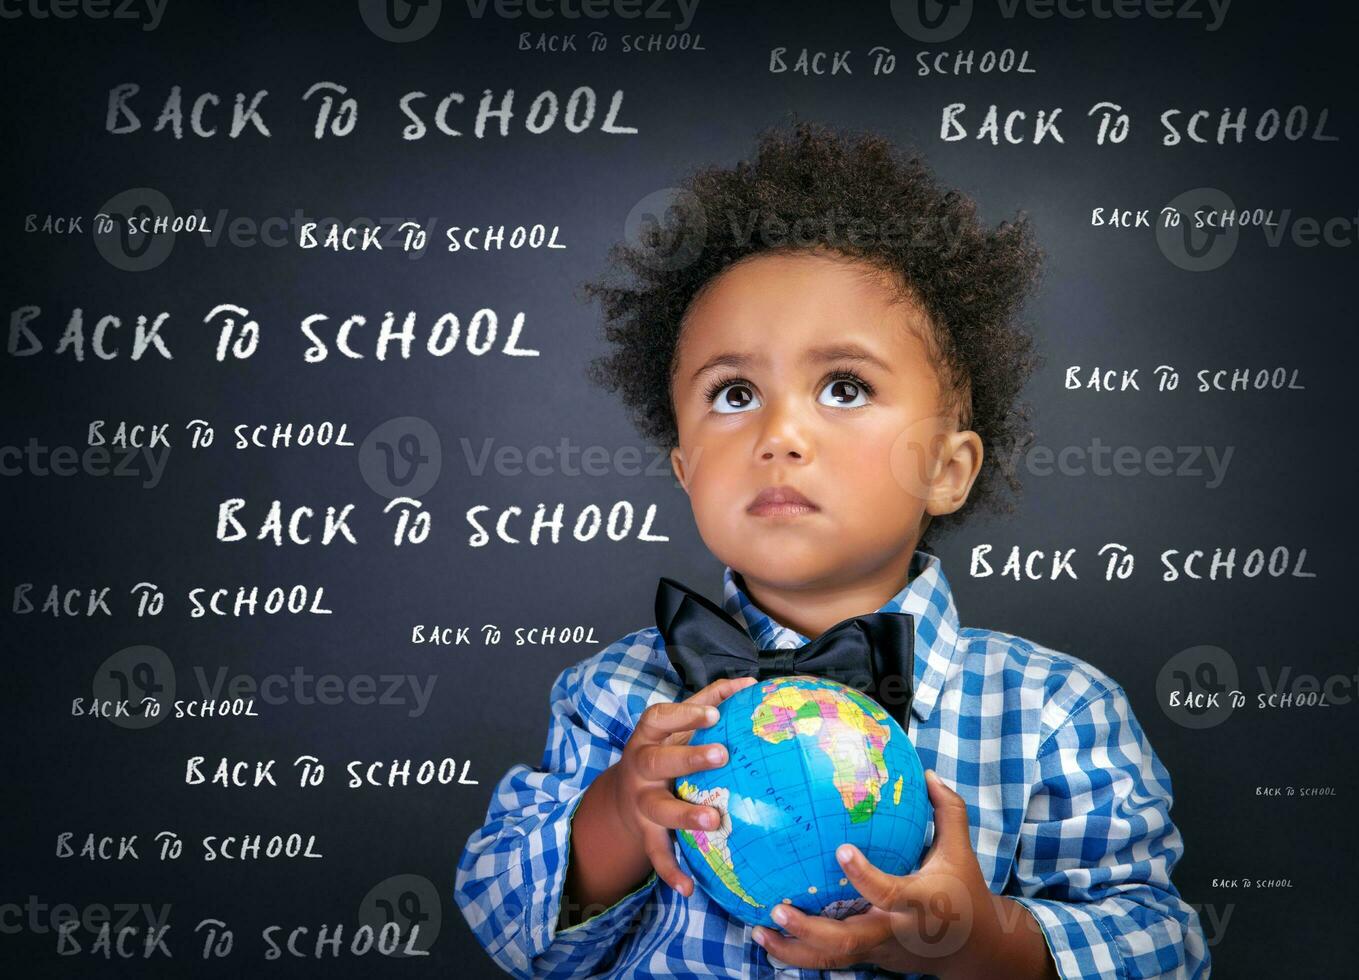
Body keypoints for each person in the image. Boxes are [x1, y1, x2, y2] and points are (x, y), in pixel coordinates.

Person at [455, 123, 1211, 979]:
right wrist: (617, 819)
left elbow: (1164, 947)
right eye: (734, 393)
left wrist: (983, 942)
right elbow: (505, 930)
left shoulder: (1053, 713)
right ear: (683, 467)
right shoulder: (616, 700)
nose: (780, 434)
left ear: (946, 468)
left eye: (844, 388)